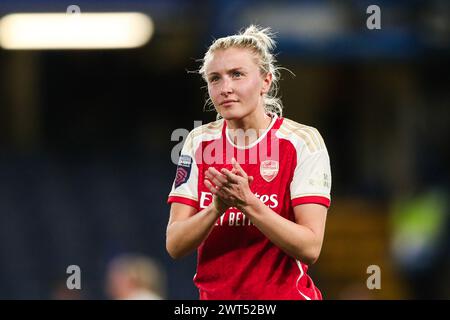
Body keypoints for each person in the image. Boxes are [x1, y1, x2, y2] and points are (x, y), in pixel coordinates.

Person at [166, 25, 331, 300]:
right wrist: (217, 207)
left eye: (237, 75)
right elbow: (175, 244)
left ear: (265, 81)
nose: (225, 88)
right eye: (215, 79)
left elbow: (310, 247)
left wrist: (248, 202)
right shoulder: (198, 142)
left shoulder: (302, 141)